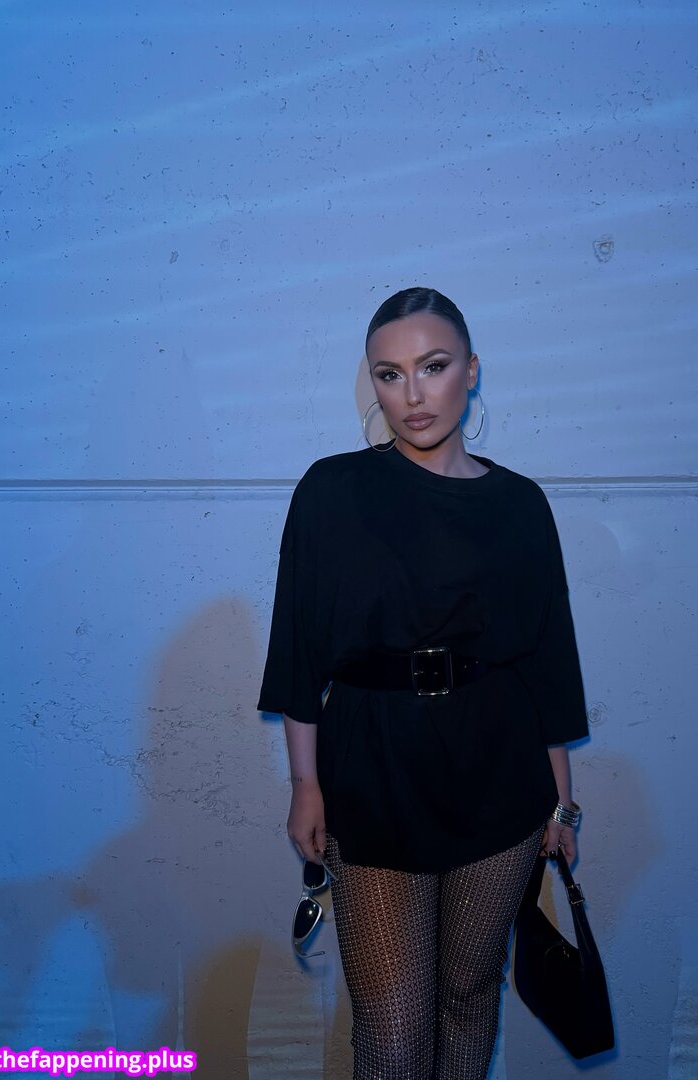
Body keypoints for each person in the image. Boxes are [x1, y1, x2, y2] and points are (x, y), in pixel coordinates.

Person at [257, 286, 590, 1080]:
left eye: (433, 367)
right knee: (394, 1031)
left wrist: (561, 802)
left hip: (499, 775)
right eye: (389, 373)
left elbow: (548, 662)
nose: (412, 394)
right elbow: (298, 649)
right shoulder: (331, 491)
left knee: (469, 997)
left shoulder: (521, 504)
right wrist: (304, 784)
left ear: (471, 371)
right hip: (371, 774)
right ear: (371, 384)